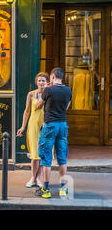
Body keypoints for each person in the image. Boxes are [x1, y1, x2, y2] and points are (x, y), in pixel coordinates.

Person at [35, 68, 72, 199]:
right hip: (62, 124)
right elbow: (66, 107)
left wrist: (42, 97)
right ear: (62, 77)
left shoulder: (48, 90)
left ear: (52, 77)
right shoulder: (68, 90)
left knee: (46, 158)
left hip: (50, 125)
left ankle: (46, 190)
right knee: (62, 157)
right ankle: (63, 189)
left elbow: (39, 105)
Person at [16, 72, 50, 188]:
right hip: (33, 125)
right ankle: (32, 177)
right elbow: (26, 111)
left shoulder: (49, 94)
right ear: (36, 82)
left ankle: (39, 178)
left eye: (43, 81)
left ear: (47, 82)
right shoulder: (31, 94)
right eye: (39, 80)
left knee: (42, 153)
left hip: (45, 126)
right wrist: (22, 127)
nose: (41, 83)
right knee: (34, 153)